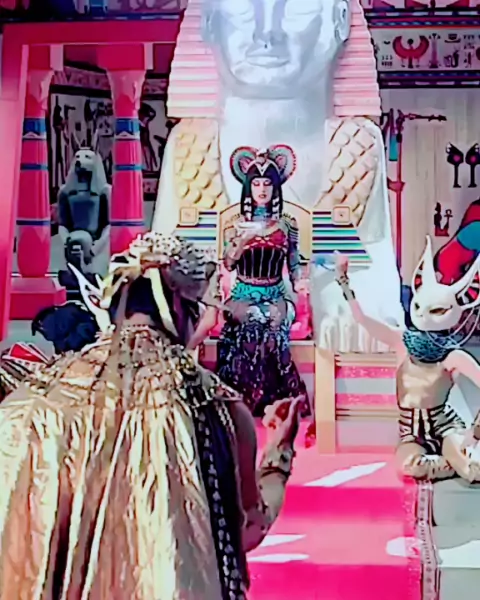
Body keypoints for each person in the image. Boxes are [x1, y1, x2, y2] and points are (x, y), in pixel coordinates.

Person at [0, 232, 301, 600]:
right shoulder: (213, 404)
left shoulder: (37, 397)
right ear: (179, 308)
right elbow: (247, 529)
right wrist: (278, 455)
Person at [335, 238, 480, 482]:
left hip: (446, 428)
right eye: (420, 306)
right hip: (410, 435)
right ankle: (450, 462)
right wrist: (343, 281)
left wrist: (475, 432)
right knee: (410, 467)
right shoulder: (402, 342)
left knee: (470, 471)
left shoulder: (452, 355)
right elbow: (362, 319)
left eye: (436, 310)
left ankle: (457, 461)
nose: (424, 315)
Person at [188, 145, 309, 418]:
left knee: (274, 326)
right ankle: (244, 401)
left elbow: (293, 263)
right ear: (248, 187)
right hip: (243, 293)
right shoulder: (234, 224)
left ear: (275, 187)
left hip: (277, 294)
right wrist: (241, 242)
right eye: (256, 183)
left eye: (267, 183)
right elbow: (228, 264)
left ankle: (278, 402)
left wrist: (300, 283)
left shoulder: (288, 224)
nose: (262, 189)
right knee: (251, 323)